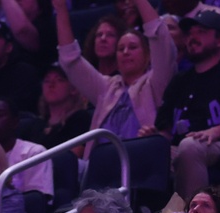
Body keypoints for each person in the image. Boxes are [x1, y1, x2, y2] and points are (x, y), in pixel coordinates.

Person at [152, 10, 220, 202]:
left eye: (200, 32)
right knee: (143, 151)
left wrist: (214, 132)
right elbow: (164, 126)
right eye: (189, 34)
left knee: (190, 147)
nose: (192, 38)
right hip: (180, 147)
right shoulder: (180, 80)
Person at [56, 0, 173, 143]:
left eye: (132, 47)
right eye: (120, 48)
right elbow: (70, 60)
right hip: (103, 160)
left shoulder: (156, 82)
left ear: (148, 55)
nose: (125, 52)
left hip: (142, 156)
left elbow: (160, 36)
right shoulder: (107, 87)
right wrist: (61, 8)